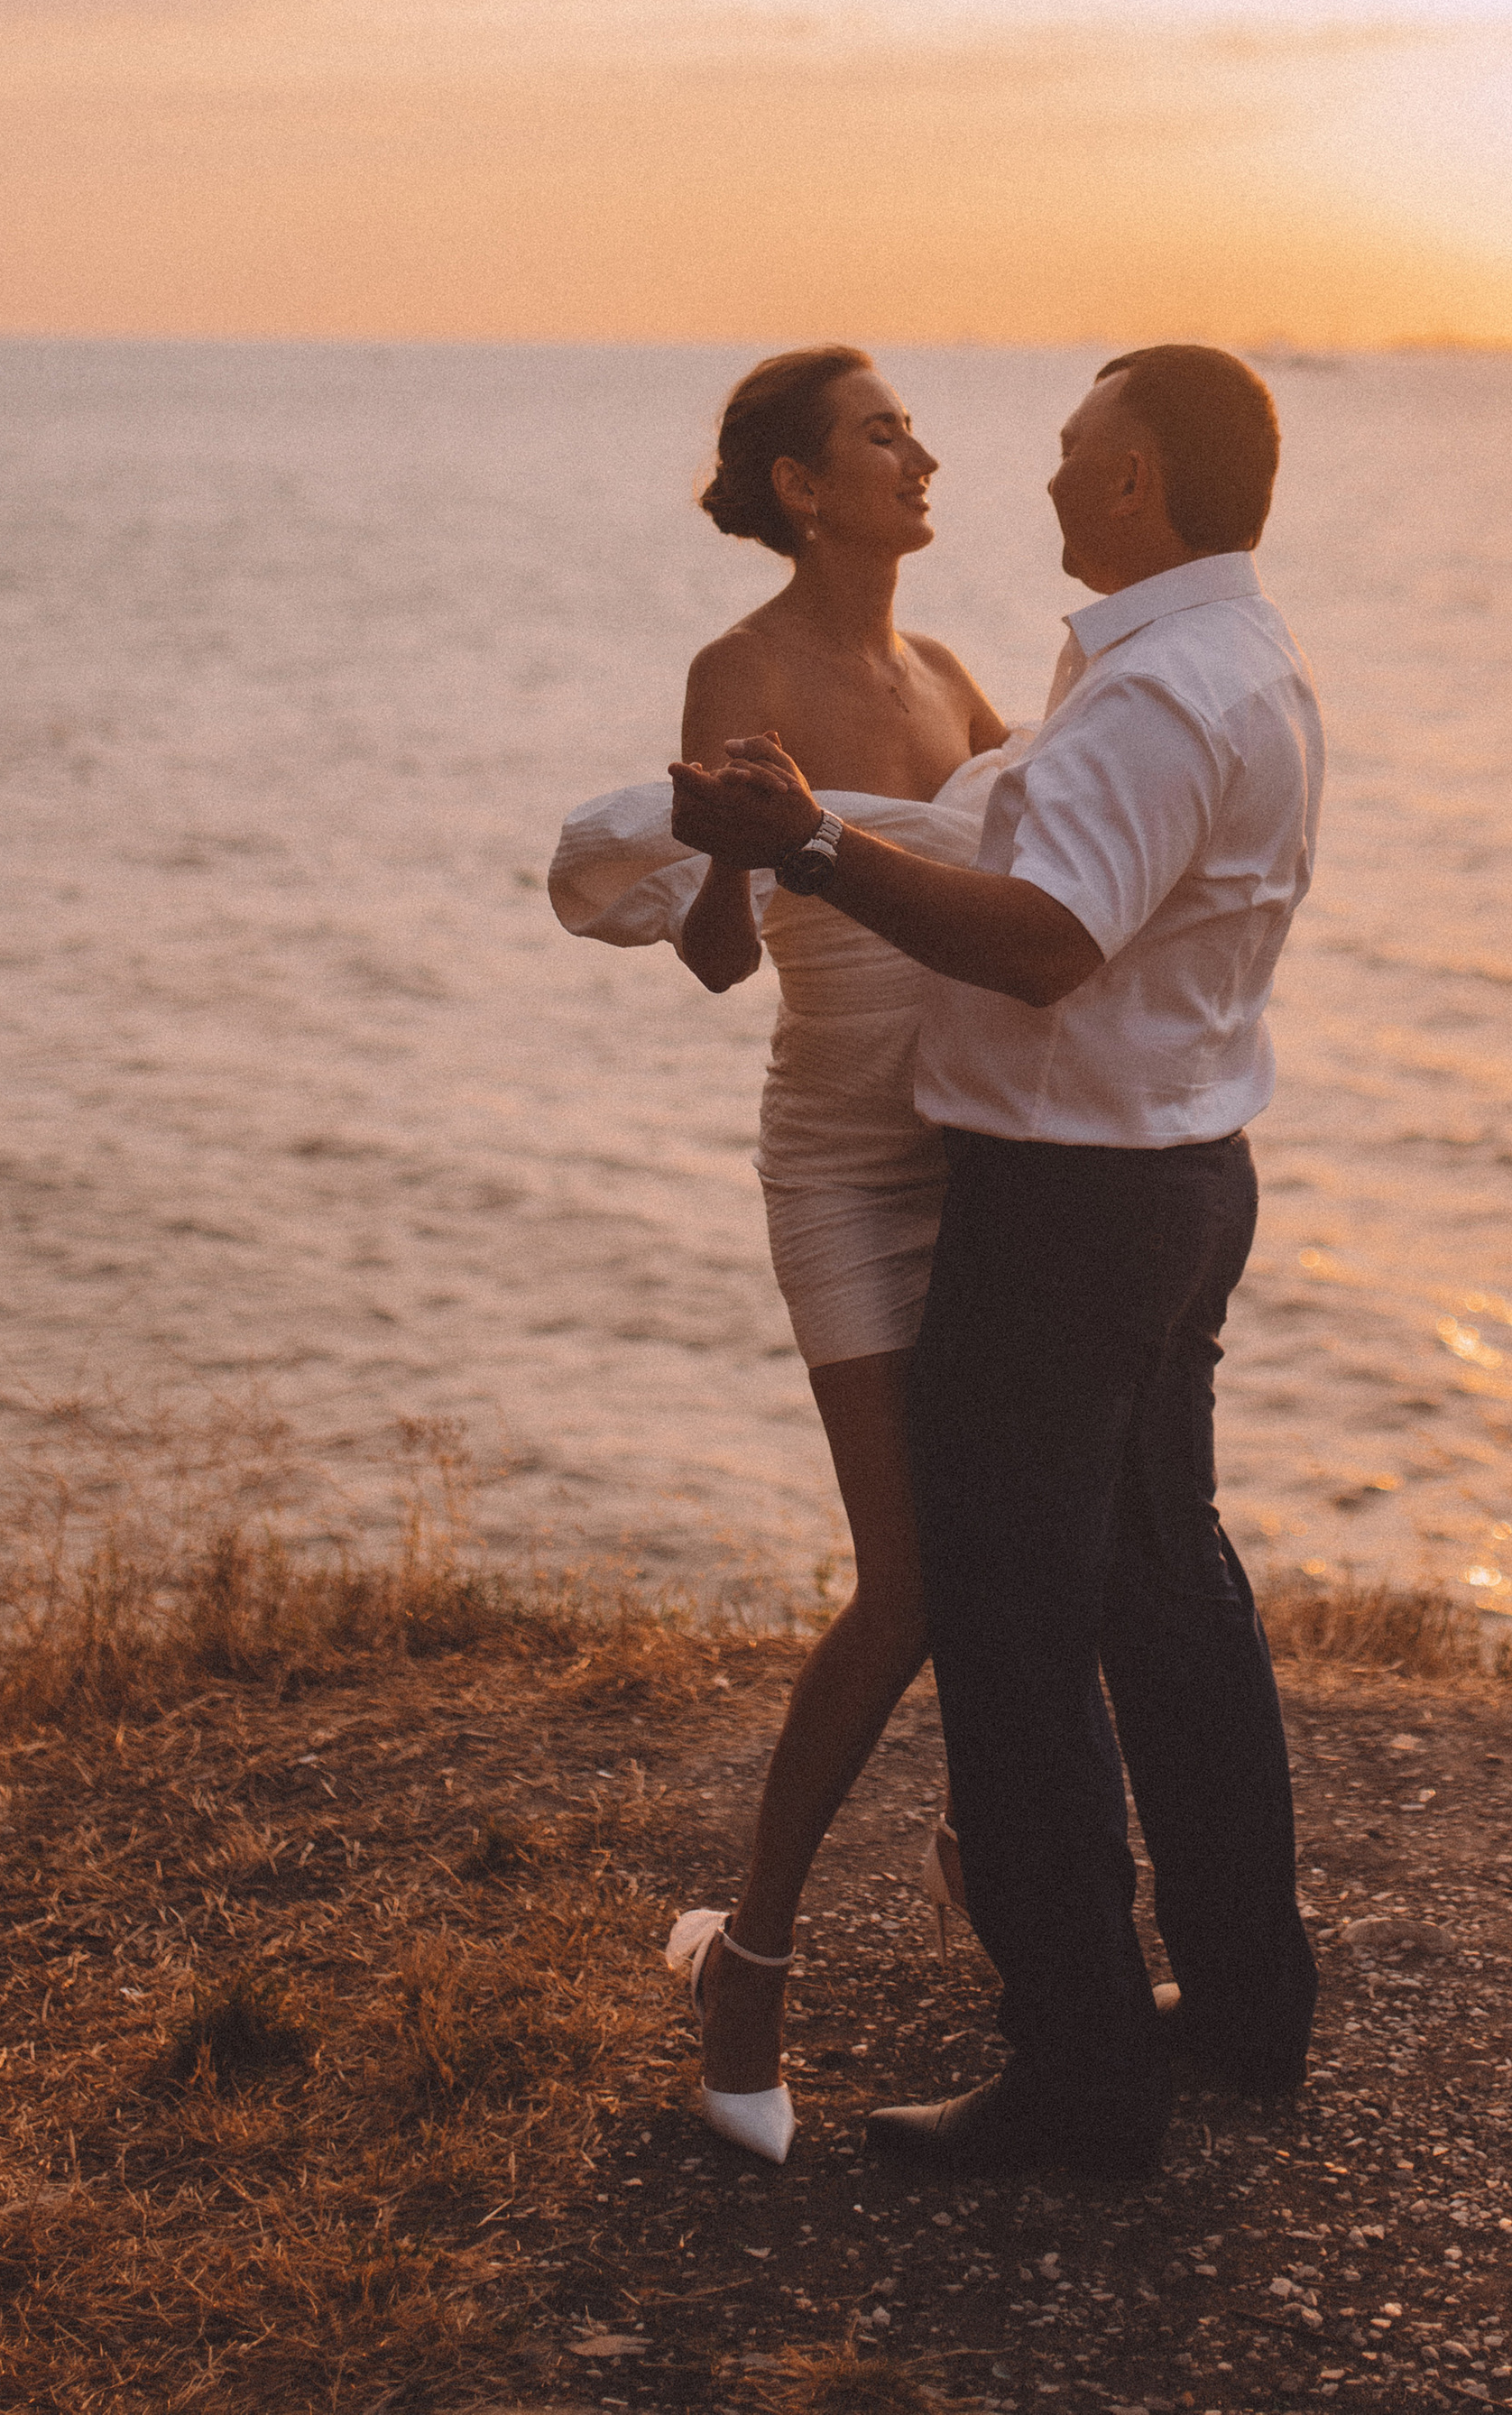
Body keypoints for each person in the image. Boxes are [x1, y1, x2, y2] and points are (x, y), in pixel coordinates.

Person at [667, 344, 1323, 2184]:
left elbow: (1039, 938)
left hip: (1064, 1201)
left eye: (1069, 455)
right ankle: (1244, 2002)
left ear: (1137, 488)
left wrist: (803, 835)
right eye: (892, 430)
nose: (1026, 479)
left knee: (1017, 1635)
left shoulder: (1135, 692)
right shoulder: (1225, 657)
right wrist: (757, 853)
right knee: (1161, 1587)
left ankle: (1081, 2074)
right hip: (1158, 1168)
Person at [550, 346, 1006, 2163]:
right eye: (883, 431)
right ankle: (748, 1959)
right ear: (802, 484)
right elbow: (722, 959)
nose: (922, 454)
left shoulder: (957, 677)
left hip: (983, 1154)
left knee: (996, 1571)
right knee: (902, 1584)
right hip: (836, 1163)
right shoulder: (739, 672)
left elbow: (1021, 904)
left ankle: (1014, 1901)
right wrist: (739, 844)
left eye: (910, 427)